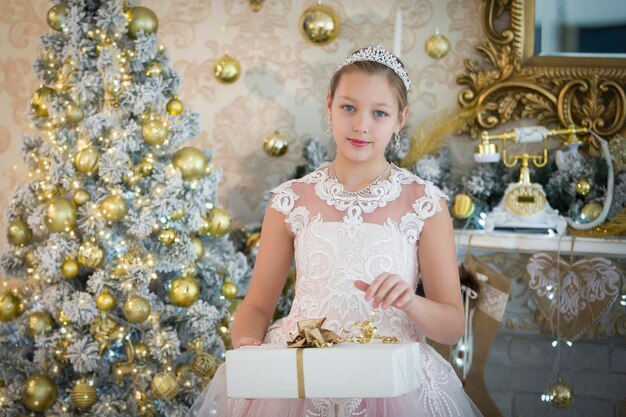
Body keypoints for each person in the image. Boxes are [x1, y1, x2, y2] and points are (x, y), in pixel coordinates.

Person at [187, 46, 483, 417]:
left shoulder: (424, 203)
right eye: (348, 107)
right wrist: (247, 345)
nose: (361, 124)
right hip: (299, 375)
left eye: (379, 113)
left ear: (400, 119)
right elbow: (258, 305)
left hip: (391, 385)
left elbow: (452, 327)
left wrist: (409, 300)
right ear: (329, 105)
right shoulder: (290, 201)